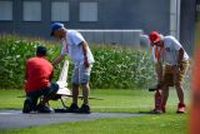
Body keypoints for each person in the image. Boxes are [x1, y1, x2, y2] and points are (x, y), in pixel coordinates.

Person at [50, 22, 95, 114]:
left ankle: (86, 106)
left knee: (84, 82)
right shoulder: (64, 40)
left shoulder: (72, 34)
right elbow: (62, 55)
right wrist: (50, 65)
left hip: (84, 61)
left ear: (59, 30)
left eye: (54, 33)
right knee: (74, 83)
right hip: (77, 63)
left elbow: (84, 44)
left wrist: (86, 59)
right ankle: (74, 105)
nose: (55, 36)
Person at [148, 31, 190, 113]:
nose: (158, 44)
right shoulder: (155, 49)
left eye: (158, 42)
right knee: (164, 84)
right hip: (169, 64)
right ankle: (162, 107)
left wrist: (178, 65)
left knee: (177, 83)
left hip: (181, 61)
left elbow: (181, 50)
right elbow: (158, 65)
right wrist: (160, 81)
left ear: (160, 38)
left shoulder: (170, 40)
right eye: (155, 43)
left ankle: (181, 106)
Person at [23, 46, 59, 113]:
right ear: (46, 54)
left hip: (29, 89)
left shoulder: (29, 61)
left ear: (36, 53)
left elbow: (26, 77)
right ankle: (42, 105)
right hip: (42, 88)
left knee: (32, 107)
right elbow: (49, 81)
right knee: (55, 86)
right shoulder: (50, 65)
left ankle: (29, 100)